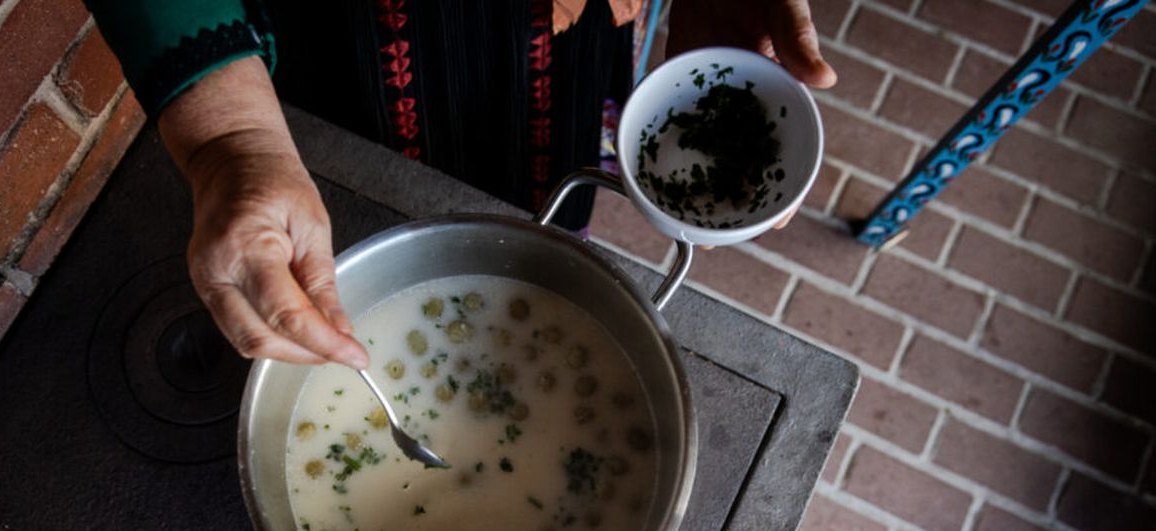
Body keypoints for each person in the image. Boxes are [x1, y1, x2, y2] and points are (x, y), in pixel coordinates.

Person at [86, 1, 836, 370]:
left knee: (545, 202)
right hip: (354, 36)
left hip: (564, 43)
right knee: (346, 235)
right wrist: (232, 139)